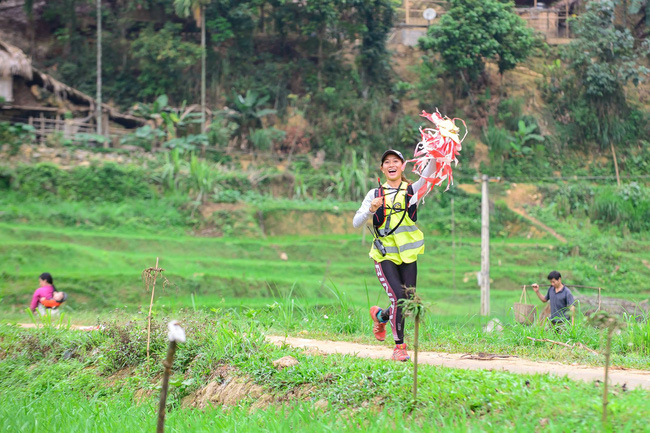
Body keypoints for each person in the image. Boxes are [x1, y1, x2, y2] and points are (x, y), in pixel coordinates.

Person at [353, 149, 435, 362]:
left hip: (408, 254)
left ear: (402, 166)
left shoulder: (413, 190)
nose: (391, 164)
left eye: (395, 161)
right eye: (387, 162)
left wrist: (438, 153)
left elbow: (431, 173)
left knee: (407, 301)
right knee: (399, 298)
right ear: (382, 168)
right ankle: (399, 347)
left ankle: (381, 316)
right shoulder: (374, 194)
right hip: (385, 255)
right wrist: (370, 210)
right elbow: (356, 222)